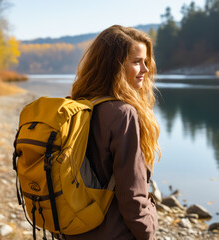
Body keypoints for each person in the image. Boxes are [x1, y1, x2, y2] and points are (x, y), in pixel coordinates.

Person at [67, 25, 161, 240]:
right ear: (114, 67)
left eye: (146, 62)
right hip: (113, 233)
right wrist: (148, 233)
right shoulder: (123, 114)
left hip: (74, 228)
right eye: (137, 62)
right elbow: (132, 194)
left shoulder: (77, 105)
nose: (145, 70)